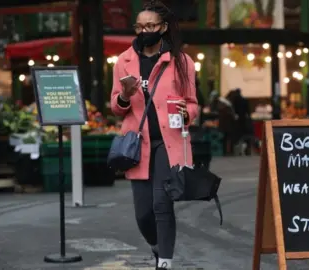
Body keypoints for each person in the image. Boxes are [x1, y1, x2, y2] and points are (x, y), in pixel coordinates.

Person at [110, 1, 198, 269]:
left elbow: (193, 104)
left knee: (162, 204)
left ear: (163, 27)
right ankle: (158, 248)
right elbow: (115, 107)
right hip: (138, 145)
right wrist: (124, 96)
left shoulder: (181, 62)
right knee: (143, 213)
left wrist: (186, 112)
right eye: (140, 26)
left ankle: (166, 262)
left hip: (168, 144)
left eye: (150, 26)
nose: (144, 30)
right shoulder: (123, 62)